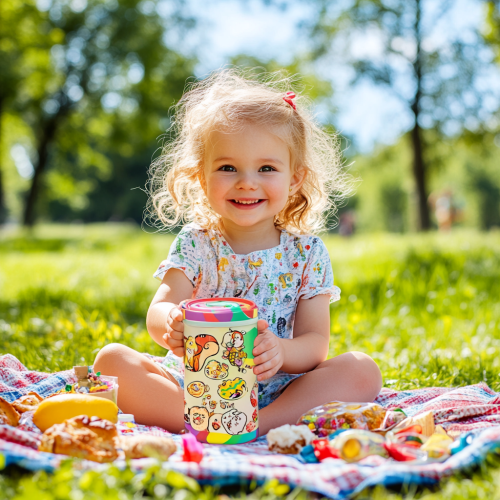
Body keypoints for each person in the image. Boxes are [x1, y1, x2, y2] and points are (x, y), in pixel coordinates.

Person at [94, 69, 382, 435]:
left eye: (266, 168)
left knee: (362, 370)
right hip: (195, 387)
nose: (247, 182)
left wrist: (280, 351)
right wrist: (171, 323)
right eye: (227, 167)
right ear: (201, 176)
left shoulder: (307, 252)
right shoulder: (196, 242)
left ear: (294, 177)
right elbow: (160, 308)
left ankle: (259, 425)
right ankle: (204, 421)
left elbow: (315, 344)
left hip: (277, 391)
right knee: (111, 361)